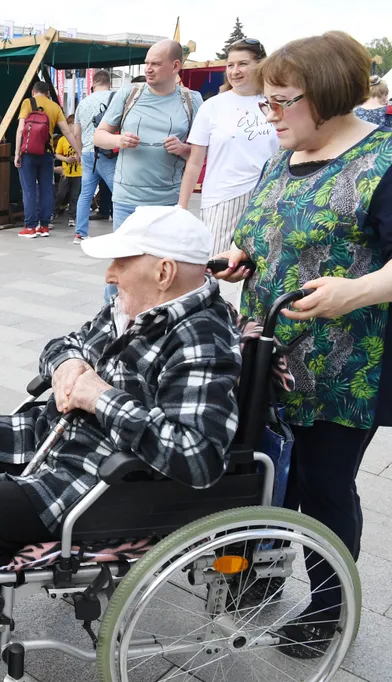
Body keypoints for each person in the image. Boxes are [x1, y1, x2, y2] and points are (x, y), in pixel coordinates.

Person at [0, 206, 242, 679]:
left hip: (110, 478)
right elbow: (65, 341)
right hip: (56, 435)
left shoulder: (202, 337)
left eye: (121, 262)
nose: (110, 274)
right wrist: (67, 366)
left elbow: (198, 457)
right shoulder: (137, 307)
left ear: (164, 271)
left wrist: (102, 398)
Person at [214, 31, 392, 658]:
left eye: (280, 101)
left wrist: (359, 291)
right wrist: (243, 255)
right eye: (267, 101)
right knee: (266, 474)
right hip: (268, 355)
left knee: (323, 486)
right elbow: (267, 225)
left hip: (347, 363)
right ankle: (258, 578)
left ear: (328, 97)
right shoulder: (282, 151)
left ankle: (327, 605)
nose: (269, 114)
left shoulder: (383, 161)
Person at [94, 39, 203, 301]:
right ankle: (112, 320)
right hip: (127, 200)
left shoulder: (192, 100)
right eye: (147, 63)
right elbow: (99, 137)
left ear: (176, 66)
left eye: (156, 63)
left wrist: (182, 148)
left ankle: (153, 319)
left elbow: (200, 153)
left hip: (167, 201)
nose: (149, 68)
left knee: (162, 269)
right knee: (122, 265)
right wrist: (118, 140)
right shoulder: (129, 94)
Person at [178, 39, 278, 257]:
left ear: (260, 65)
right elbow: (195, 160)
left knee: (262, 264)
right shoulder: (212, 106)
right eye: (230, 65)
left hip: (268, 196)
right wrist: (182, 206)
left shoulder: (276, 103)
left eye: (243, 64)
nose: (235, 71)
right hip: (222, 198)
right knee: (215, 265)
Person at [14, 81, 81, 238]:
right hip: (47, 153)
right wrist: (78, 152)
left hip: (28, 152)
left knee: (29, 189)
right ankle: (44, 226)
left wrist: (17, 153)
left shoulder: (28, 103)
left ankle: (30, 227)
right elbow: (67, 132)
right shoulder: (54, 107)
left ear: (33, 92)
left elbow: (20, 130)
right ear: (48, 93)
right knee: (47, 189)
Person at [72, 69, 116, 244]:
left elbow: (76, 133)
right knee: (118, 192)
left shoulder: (83, 103)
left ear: (93, 84)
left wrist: (80, 152)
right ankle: (123, 231)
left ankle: (80, 233)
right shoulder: (115, 98)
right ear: (109, 83)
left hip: (88, 153)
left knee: (85, 194)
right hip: (107, 151)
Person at [53, 114, 82, 229]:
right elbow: (56, 154)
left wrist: (78, 155)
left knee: (74, 196)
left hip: (78, 172)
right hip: (66, 172)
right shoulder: (62, 139)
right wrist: (66, 159)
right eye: (72, 125)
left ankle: (72, 217)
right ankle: (53, 212)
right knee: (61, 194)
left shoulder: (81, 139)